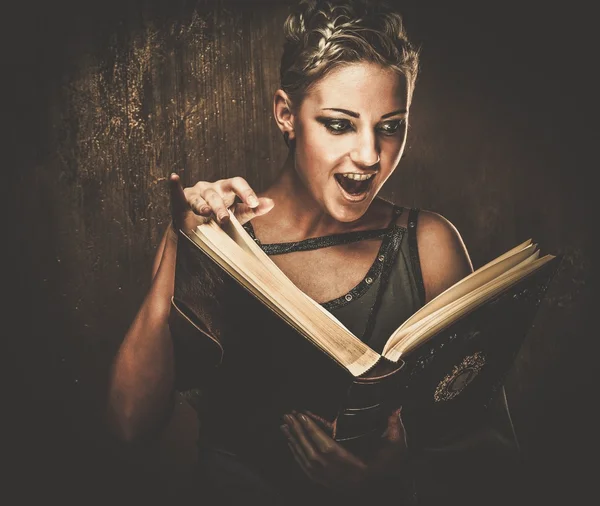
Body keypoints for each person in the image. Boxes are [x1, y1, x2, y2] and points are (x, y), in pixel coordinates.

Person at [107, 1, 524, 505]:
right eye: (339, 124)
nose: (369, 155)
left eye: (390, 126)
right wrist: (184, 241)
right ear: (287, 114)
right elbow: (130, 425)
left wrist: (392, 475)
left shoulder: (429, 245)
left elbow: (495, 450)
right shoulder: (213, 236)